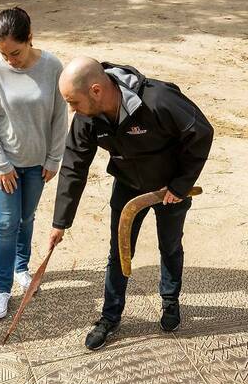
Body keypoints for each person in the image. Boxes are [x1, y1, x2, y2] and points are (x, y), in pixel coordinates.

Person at [48, 57, 213, 350]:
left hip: (170, 189)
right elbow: (75, 165)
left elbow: (201, 132)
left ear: (96, 90)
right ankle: (110, 317)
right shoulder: (88, 117)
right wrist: (61, 222)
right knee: (119, 251)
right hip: (128, 187)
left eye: (73, 102)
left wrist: (180, 184)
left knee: (170, 246)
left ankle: (170, 302)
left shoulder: (158, 99)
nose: (72, 110)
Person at [0, 7, 68, 319]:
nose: (10, 61)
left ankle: (21, 267)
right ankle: (3, 287)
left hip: (37, 163)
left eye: (15, 53)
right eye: (3, 54)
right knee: (6, 224)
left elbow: (60, 115)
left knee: (26, 218)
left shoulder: (52, 66)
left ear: (30, 38)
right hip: (4, 165)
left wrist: (54, 157)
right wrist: (2, 165)